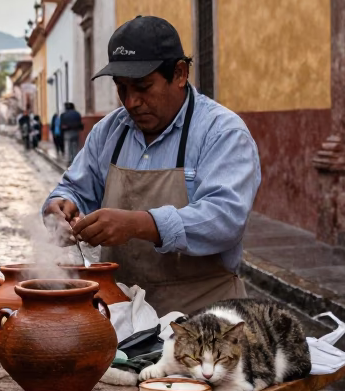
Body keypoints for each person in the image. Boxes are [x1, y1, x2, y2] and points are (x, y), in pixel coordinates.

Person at [42, 16, 261, 318]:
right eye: (122, 89)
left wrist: (138, 224)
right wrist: (59, 205)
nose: (131, 102)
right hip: (123, 315)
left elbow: (225, 219)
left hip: (206, 322)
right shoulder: (109, 132)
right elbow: (74, 189)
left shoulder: (222, 132)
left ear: (180, 74)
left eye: (143, 87)